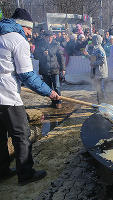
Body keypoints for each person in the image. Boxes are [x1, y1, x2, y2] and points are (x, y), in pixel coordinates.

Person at [0, 8, 60, 186]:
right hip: (7, 96)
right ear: (22, 26)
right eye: (28, 29)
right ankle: (26, 174)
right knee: (22, 135)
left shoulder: (1, 35)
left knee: (0, 135)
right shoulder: (17, 39)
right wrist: (49, 91)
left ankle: (2, 170)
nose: (30, 33)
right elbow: (27, 75)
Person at [34, 30, 65, 109]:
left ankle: (59, 102)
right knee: (48, 88)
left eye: (51, 37)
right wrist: (42, 54)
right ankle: (53, 101)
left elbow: (61, 57)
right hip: (45, 69)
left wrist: (63, 68)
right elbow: (35, 56)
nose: (49, 39)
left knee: (57, 87)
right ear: (45, 37)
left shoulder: (56, 44)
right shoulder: (40, 45)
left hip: (54, 68)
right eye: (48, 37)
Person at [89, 35, 108, 103]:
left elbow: (102, 61)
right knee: (98, 89)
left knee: (101, 89)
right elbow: (93, 59)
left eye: (93, 40)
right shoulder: (95, 49)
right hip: (96, 73)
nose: (92, 41)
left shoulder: (100, 49)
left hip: (101, 72)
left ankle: (104, 103)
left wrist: (94, 63)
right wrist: (87, 55)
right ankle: (99, 103)